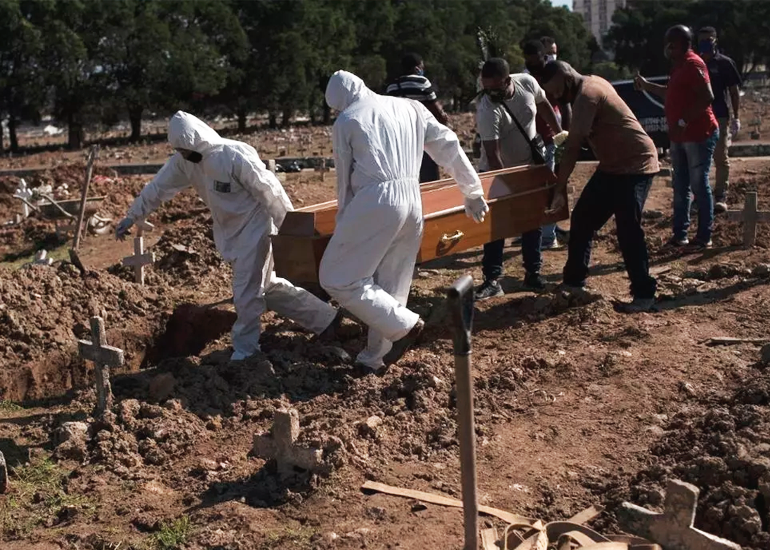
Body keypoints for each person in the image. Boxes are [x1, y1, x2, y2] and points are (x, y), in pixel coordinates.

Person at [116, 111, 341, 361]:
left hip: (257, 228)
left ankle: (246, 352)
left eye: (187, 150)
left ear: (200, 139)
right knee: (268, 287)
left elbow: (269, 190)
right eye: (180, 151)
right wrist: (133, 215)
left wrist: (290, 226)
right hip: (231, 233)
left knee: (246, 293)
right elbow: (158, 187)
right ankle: (327, 319)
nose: (185, 155)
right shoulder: (184, 162)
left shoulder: (233, 154)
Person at [322, 70, 488, 374]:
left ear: (341, 102)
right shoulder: (410, 107)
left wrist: (345, 221)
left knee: (337, 277)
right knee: (393, 281)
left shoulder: (347, 120)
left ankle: (405, 325)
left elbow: (344, 182)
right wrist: (472, 190)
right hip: (412, 198)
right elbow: (447, 144)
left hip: (375, 200)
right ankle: (375, 358)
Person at [541, 62, 660, 312]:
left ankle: (644, 295)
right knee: (583, 219)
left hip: (636, 164)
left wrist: (559, 188)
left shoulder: (588, 94)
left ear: (566, 78)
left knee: (628, 228)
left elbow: (573, 147)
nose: (555, 97)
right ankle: (574, 282)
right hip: (612, 167)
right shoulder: (586, 87)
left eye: (555, 92)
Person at [473, 58, 562, 300]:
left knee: (532, 221)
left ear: (508, 80)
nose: (490, 93)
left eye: (495, 88)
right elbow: (493, 155)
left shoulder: (527, 83)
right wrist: (509, 189)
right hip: (497, 173)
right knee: (497, 227)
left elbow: (543, 105)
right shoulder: (487, 109)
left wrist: (559, 133)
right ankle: (492, 280)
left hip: (530, 166)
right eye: (486, 88)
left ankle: (533, 274)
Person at [635, 25, 718, 249]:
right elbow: (669, 93)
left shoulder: (693, 64)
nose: (668, 49)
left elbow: (707, 97)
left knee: (699, 185)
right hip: (680, 136)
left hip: (698, 134)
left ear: (681, 44)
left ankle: (704, 237)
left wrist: (683, 120)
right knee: (681, 186)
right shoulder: (678, 66)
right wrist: (647, 86)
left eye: (671, 44)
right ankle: (680, 235)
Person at [523, 39, 573, 249]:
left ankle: (548, 236)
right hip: (530, 141)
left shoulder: (551, 75)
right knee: (530, 188)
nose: (533, 65)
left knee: (547, 187)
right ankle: (530, 230)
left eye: (535, 61)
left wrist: (564, 137)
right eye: (529, 62)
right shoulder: (525, 77)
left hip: (550, 138)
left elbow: (565, 106)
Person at [697, 26, 742, 213]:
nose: (705, 43)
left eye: (708, 39)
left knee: (720, 156)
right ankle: (700, 197)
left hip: (720, 115)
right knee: (699, 158)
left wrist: (736, 118)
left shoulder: (725, 63)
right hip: (698, 116)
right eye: (701, 40)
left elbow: (733, 91)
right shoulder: (695, 63)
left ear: (715, 40)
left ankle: (721, 194)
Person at [386, 53, 450, 183]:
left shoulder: (392, 86)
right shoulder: (422, 82)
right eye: (422, 67)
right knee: (429, 175)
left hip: (401, 137)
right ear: (417, 69)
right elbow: (436, 109)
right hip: (423, 134)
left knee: (407, 174)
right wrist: (444, 120)